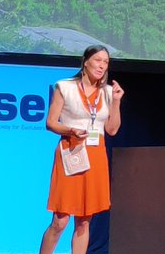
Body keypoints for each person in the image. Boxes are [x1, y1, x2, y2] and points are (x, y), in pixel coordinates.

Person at [39, 44, 124, 254]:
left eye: (106, 62)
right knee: (60, 220)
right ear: (86, 62)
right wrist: (70, 130)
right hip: (71, 152)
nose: (102, 66)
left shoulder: (108, 92)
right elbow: (50, 123)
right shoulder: (64, 87)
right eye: (98, 60)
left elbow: (112, 129)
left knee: (84, 221)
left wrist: (116, 102)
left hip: (95, 156)